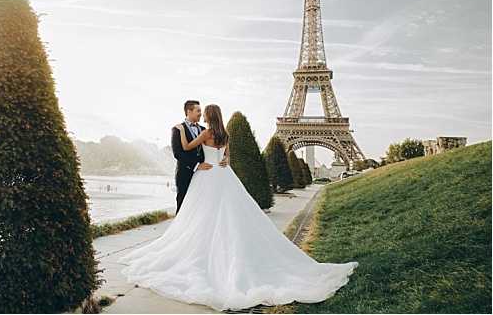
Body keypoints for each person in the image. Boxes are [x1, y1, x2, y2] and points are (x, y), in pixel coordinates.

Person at [119, 104, 359, 311]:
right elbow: (228, 159)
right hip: (224, 175)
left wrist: (181, 131)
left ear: (209, 116)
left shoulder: (206, 134)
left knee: (203, 216)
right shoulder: (225, 134)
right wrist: (222, 160)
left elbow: (188, 147)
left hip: (208, 176)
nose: (201, 116)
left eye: (204, 113)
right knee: (228, 215)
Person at [170, 100, 226, 215]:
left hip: (206, 173)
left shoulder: (204, 130)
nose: (201, 113)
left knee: (201, 205)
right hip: (185, 172)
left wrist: (224, 159)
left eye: (201, 111)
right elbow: (178, 154)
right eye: (198, 111)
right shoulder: (177, 129)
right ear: (189, 111)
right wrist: (196, 165)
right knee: (183, 203)